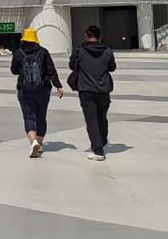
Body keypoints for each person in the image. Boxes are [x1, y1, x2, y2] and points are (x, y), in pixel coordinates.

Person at [11, 27, 63, 158]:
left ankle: (33, 141)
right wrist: (58, 85)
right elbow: (51, 70)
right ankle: (39, 144)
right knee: (41, 117)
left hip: (24, 90)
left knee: (29, 117)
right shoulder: (43, 52)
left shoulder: (18, 53)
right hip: (43, 89)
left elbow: (14, 71)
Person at [69, 25, 116, 161]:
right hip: (103, 89)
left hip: (86, 89)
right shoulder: (107, 50)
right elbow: (112, 68)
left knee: (91, 120)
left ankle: (98, 150)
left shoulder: (80, 50)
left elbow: (72, 66)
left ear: (86, 35)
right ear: (100, 36)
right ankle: (101, 140)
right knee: (102, 117)